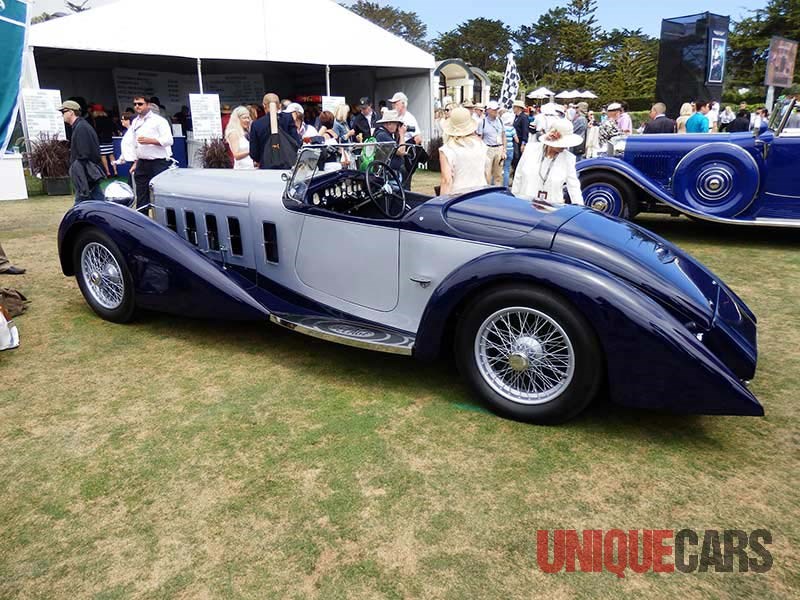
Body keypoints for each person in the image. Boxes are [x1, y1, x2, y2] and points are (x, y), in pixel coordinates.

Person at [512, 119, 583, 205]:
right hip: (525, 206)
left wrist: (579, 208)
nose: (564, 146)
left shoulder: (568, 158)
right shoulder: (530, 149)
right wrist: (514, 201)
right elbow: (518, 176)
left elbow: (574, 187)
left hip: (553, 209)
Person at [128, 95, 173, 208]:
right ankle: (142, 220)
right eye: (135, 104)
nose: (137, 106)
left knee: (160, 193)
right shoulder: (135, 122)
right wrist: (135, 161)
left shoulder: (159, 121)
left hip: (157, 162)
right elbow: (134, 143)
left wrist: (151, 141)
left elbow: (168, 140)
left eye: (140, 104)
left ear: (148, 105)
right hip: (142, 162)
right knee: (141, 194)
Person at [59, 100, 105, 203]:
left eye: (63, 112)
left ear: (71, 112)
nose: (62, 115)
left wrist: (80, 173)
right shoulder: (81, 126)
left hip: (85, 174)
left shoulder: (81, 127)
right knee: (97, 203)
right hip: (86, 174)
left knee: (82, 205)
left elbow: (84, 154)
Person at [438, 107, 489, 195]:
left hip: (458, 197)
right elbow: (487, 173)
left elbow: (446, 181)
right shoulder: (481, 145)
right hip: (481, 195)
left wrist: (441, 203)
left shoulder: (447, 149)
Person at [249, 92, 302, 169]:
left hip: (267, 167)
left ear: (264, 105)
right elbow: (296, 142)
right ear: (279, 106)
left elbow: (254, 153)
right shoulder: (288, 118)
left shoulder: (257, 124)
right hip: (288, 166)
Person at [389, 92, 422, 189]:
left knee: (405, 186)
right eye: (393, 103)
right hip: (398, 155)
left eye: (395, 103)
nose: (393, 105)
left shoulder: (409, 118)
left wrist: (405, 150)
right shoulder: (397, 117)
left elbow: (418, 138)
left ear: (403, 104)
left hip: (405, 157)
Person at [477, 100, 506, 186]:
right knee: (487, 174)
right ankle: (486, 192)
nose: (496, 111)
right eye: (494, 110)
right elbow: (480, 138)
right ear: (488, 110)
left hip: (499, 148)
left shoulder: (500, 121)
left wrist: (504, 150)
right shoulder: (483, 122)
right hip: (488, 149)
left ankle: (497, 193)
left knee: (498, 175)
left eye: (497, 109)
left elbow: (503, 136)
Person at [372, 110, 407, 174]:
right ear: (389, 124)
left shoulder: (386, 134)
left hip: (391, 172)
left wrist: (398, 136)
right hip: (389, 174)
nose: (398, 127)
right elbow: (401, 151)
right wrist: (402, 134)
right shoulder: (382, 135)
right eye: (396, 124)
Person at [90, 104, 117, 177]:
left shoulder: (96, 120)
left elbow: (96, 131)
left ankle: (108, 172)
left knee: (103, 156)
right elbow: (113, 129)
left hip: (101, 140)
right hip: (109, 139)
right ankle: (115, 171)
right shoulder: (108, 119)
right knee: (111, 155)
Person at [511, 100, 529, 168]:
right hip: (515, 139)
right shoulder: (516, 117)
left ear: (518, 108)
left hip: (520, 140)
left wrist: (523, 143)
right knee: (515, 157)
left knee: (518, 157)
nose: (513, 109)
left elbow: (525, 130)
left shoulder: (523, 117)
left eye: (514, 107)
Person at [501, 110, 515, 188]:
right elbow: (516, 139)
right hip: (510, 149)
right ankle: (505, 186)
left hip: (502, 149)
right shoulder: (512, 129)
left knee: (498, 168)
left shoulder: (502, 127)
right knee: (507, 168)